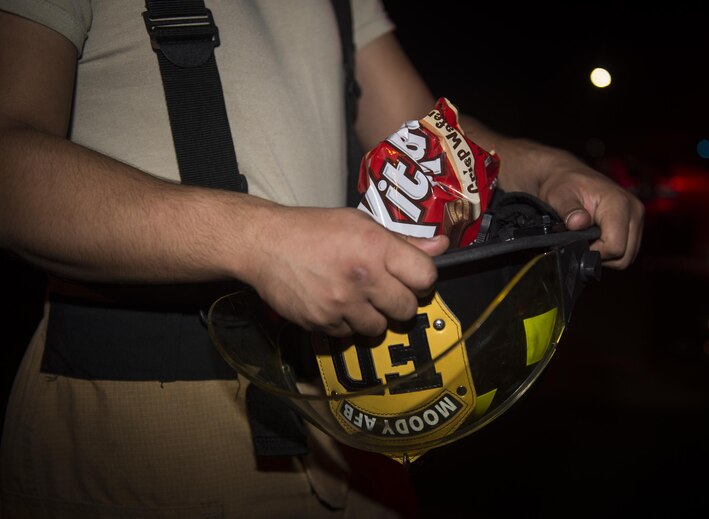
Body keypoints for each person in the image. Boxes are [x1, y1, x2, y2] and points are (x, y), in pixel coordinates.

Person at [0, 1, 644, 518]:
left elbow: (436, 137)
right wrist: (259, 240)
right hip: (140, 431)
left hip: (345, 422)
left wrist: (550, 168)